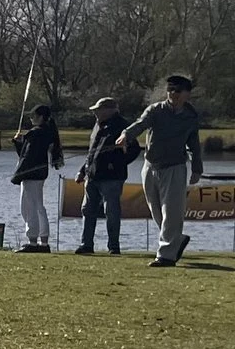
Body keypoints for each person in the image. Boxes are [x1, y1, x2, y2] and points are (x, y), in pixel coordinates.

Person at [124, 74, 205, 267]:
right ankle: (176, 240)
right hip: (151, 166)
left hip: (175, 167)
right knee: (156, 211)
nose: (173, 94)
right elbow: (141, 124)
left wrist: (196, 169)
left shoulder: (191, 116)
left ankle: (166, 255)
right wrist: (126, 135)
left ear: (187, 94)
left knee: (172, 211)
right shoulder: (155, 110)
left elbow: (194, 144)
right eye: (171, 90)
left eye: (178, 91)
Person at [74, 97, 131, 256]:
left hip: (112, 177)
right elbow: (91, 152)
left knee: (111, 211)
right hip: (92, 175)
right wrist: (83, 170)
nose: (95, 113)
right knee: (87, 209)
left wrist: (116, 163)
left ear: (110, 110)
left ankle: (114, 247)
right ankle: (86, 245)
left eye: (98, 110)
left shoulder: (122, 126)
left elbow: (132, 151)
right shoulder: (97, 126)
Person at [11, 104, 64, 253]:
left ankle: (32, 241)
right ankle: (44, 241)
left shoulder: (35, 134)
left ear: (40, 117)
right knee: (39, 206)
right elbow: (27, 154)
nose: (31, 118)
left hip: (31, 175)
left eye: (33, 116)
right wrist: (19, 143)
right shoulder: (47, 132)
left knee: (28, 207)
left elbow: (27, 157)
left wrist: (18, 176)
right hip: (40, 174)